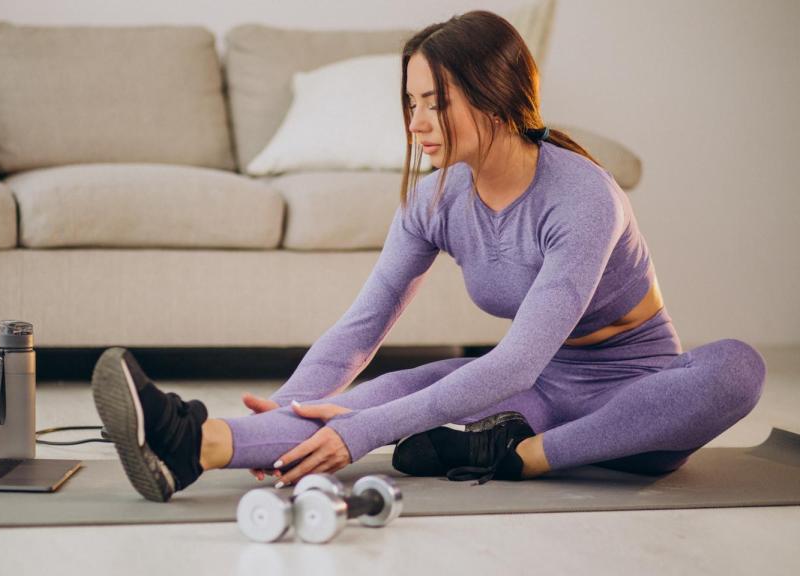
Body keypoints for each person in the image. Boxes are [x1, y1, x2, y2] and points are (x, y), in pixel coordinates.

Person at [91, 10, 767, 503]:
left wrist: (366, 434)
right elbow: (360, 329)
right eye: (410, 103)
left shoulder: (582, 197)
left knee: (737, 367)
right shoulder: (435, 200)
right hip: (536, 395)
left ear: (496, 99)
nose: (414, 124)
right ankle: (189, 443)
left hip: (637, 407)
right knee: (383, 392)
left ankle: (526, 459)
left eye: (434, 103)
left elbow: (517, 359)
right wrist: (292, 408)